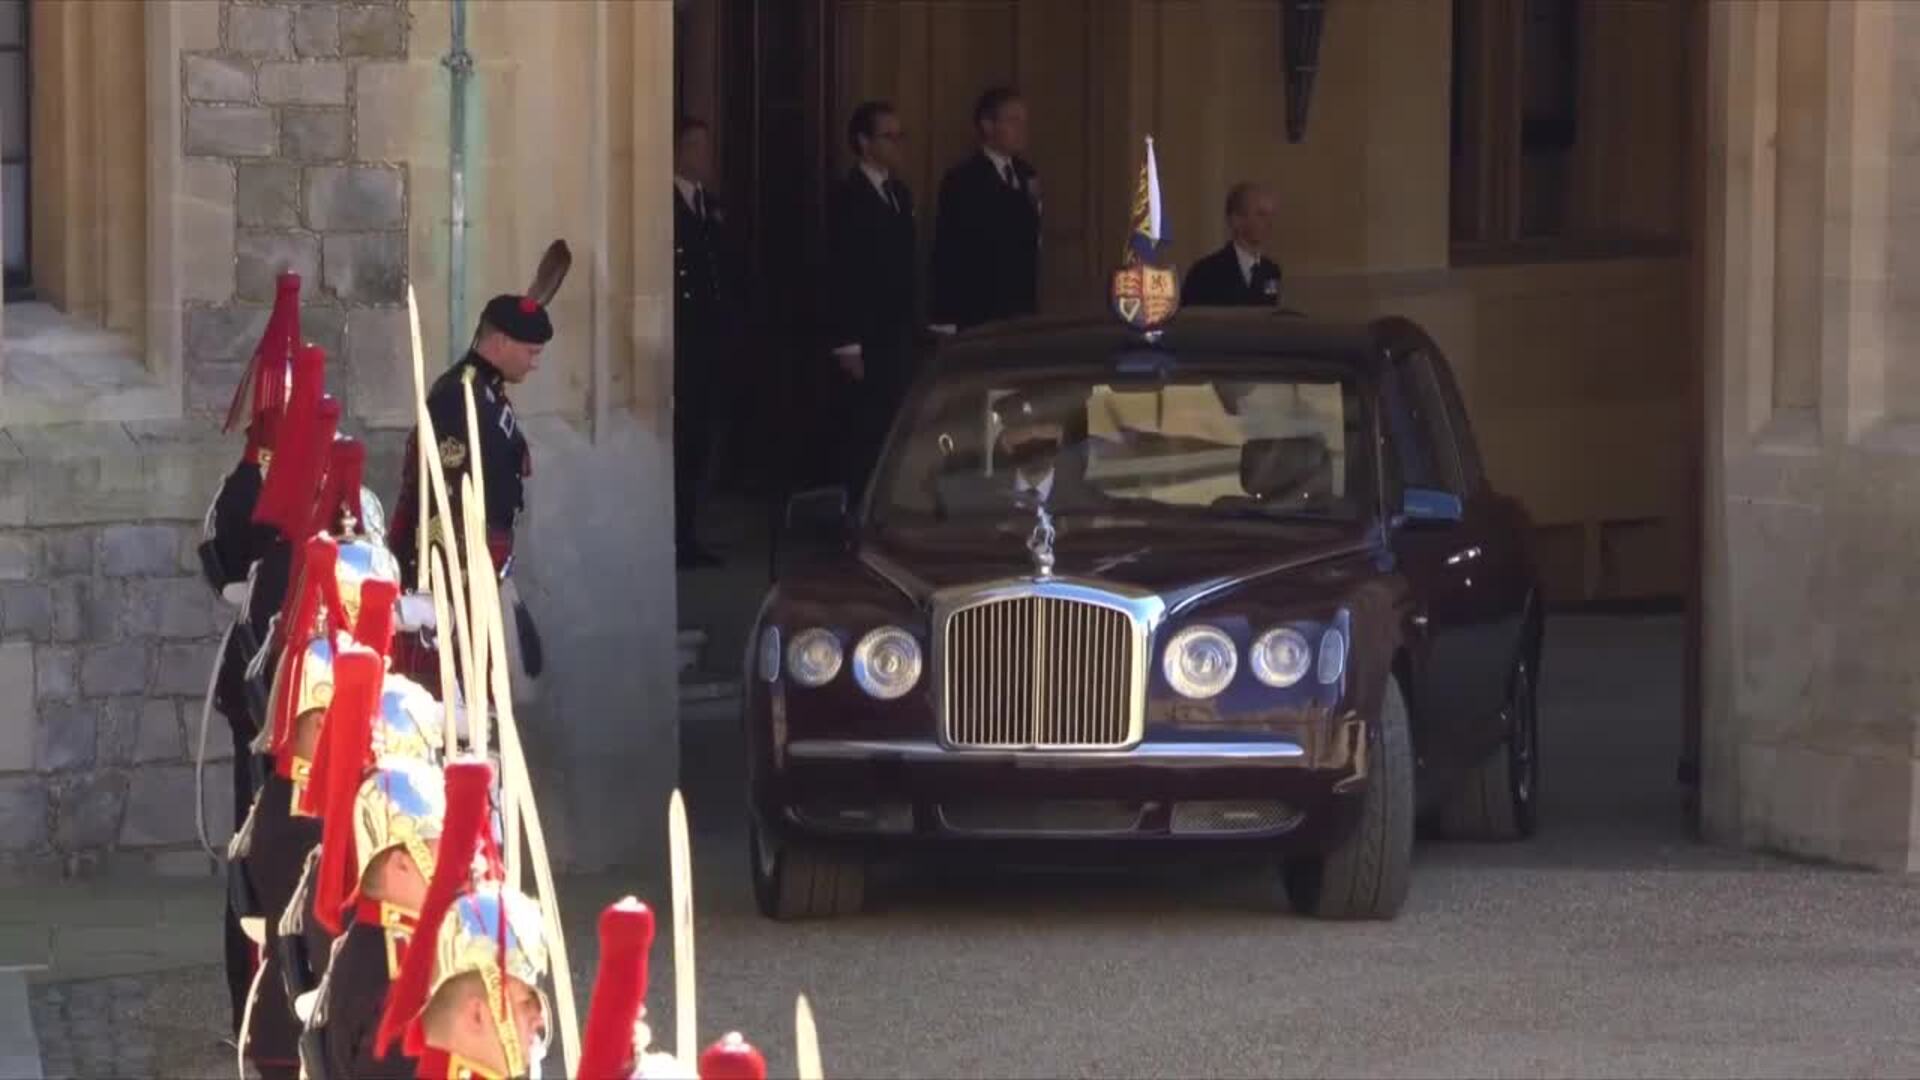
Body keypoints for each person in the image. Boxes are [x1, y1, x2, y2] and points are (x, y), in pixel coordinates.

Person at [201, 270, 301, 1040]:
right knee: (257, 856)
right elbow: (226, 564)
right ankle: (251, 1013)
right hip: (260, 699)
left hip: (308, 698)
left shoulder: (302, 484)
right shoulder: (247, 490)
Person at [385, 292, 549, 692]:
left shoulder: (484, 391)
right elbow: (445, 505)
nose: (535, 362)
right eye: (530, 351)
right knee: (467, 702)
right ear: (500, 343)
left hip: (484, 573)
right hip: (457, 584)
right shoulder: (459, 399)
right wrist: (464, 594)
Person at [826, 101, 921, 497]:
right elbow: (840, 271)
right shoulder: (848, 196)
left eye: (901, 136)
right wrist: (847, 342)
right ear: (864, 143)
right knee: (865, 427)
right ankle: (857, 511)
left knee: (894, 424)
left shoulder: (899, 193)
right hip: (865, 334)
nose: (898, 144)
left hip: (898, 330)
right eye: (888, 136)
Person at [671, 117, 740, 568]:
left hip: (711, 342)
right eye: (695, 146)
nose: (704, 156)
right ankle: (677, 534)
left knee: (704, 442)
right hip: (683, 344)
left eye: (707, 146)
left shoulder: (709, 206)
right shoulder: (666, 205)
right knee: (684, 442)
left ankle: (692, 531)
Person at [931, 86, 1043, 333]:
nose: (1021, 129)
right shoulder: (962, 180)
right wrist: (945, 318)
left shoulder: (1026, 174)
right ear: (987, 126)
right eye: (1013, 121)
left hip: (1022, 308)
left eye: (1024, 121)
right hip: (979, 310)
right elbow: (949, 252)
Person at [1181, 182, 1283, 308]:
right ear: (1236, 220)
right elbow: (1191, 322)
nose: (1269, 223)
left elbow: (1270, 315)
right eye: (1261, 215)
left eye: (1271, 215)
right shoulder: (1205, 272)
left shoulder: (1271, 272)